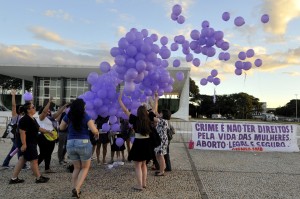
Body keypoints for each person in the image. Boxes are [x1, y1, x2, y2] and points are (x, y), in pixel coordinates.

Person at [59, 98, 99, 198]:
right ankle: (77, 189)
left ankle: (75, 188)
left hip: (70, 142)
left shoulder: (69, 115)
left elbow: (61, 127)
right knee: (85, 167)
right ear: (82, 107)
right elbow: (94, 130)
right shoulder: (86, 116)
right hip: (84, 143)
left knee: (76, 168)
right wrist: (97, 133)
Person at [9, 102, 53, 184]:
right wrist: (24, 144)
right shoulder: (25, 119)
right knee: (34, 160)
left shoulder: (32, 118)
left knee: (22, 159)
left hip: (31, 142)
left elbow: (38, 128)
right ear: (28, 110)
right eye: (33, 107)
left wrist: (47, 131)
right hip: (28, 143)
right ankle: (38, 178)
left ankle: (14, 178)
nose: (34, 108)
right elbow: (22, 132)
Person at [118, 92, 152, 191]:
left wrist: (120, 100)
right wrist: (154, 99)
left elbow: (125, 110)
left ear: (138, 112)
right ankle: (144, 183)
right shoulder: (149, 119)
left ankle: (139, 185)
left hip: (138, 143)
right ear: (146, 112)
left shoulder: (134, 119)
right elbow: (154, 110)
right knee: (144, 164)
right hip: (147, 143)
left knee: (137, 165)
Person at [37, 97, 68, 173]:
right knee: (43, 153)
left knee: (49, 153)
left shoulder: (51, 118)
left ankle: (47, 169)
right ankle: (35, 166)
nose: (48, 111)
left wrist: (64, 107)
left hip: (51, 137)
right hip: (43, 137)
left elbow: (58, 113)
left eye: (49, 110)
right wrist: (49, 102)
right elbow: (44, 112)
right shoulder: (41, 117)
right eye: (47, 110)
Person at [2, 89, 28, 170]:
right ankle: (22, 165)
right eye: (20, 108)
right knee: (20, 148)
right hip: (15, 136)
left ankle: (5, 163)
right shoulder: (15, 116)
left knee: (14, 149)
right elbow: (13, 106)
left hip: (18, 135)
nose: (21, 109)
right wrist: (13, 96)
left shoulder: (21, 117)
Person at [151, 93, 169, 176]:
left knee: (160, 155)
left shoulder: (163, 121)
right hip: (160, 140)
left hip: (161, 140)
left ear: (163, 114)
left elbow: (153, 115)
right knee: (158, 155)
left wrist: (149, 114)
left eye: (161, 113)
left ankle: (162, 171)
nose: (159, 114)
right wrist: (156, 99)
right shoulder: (162, 119)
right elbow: (155, 111)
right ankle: (162, 169)